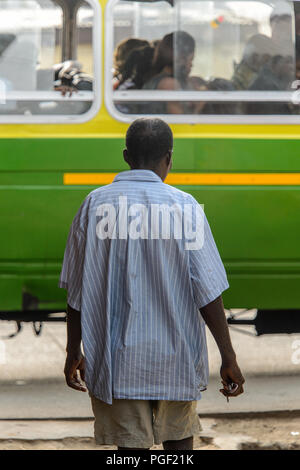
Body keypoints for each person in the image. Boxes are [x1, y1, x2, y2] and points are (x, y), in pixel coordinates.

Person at [59, 117, 245, 451]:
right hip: (176, 360)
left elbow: (77, 292)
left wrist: (74, 350)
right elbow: (208, 292)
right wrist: (228, 357)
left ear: (126, 156)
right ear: (169, 159)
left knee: (130, 453)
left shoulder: (95, 205)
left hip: (117, 365)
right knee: (179, 449)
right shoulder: (185, 207)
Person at [143, 31, 206, 114]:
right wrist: (199, 106)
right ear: (181, 58)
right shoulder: (169, 85)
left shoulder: (158, 79)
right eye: (191, 59)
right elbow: (181, 123)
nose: (191, 65)